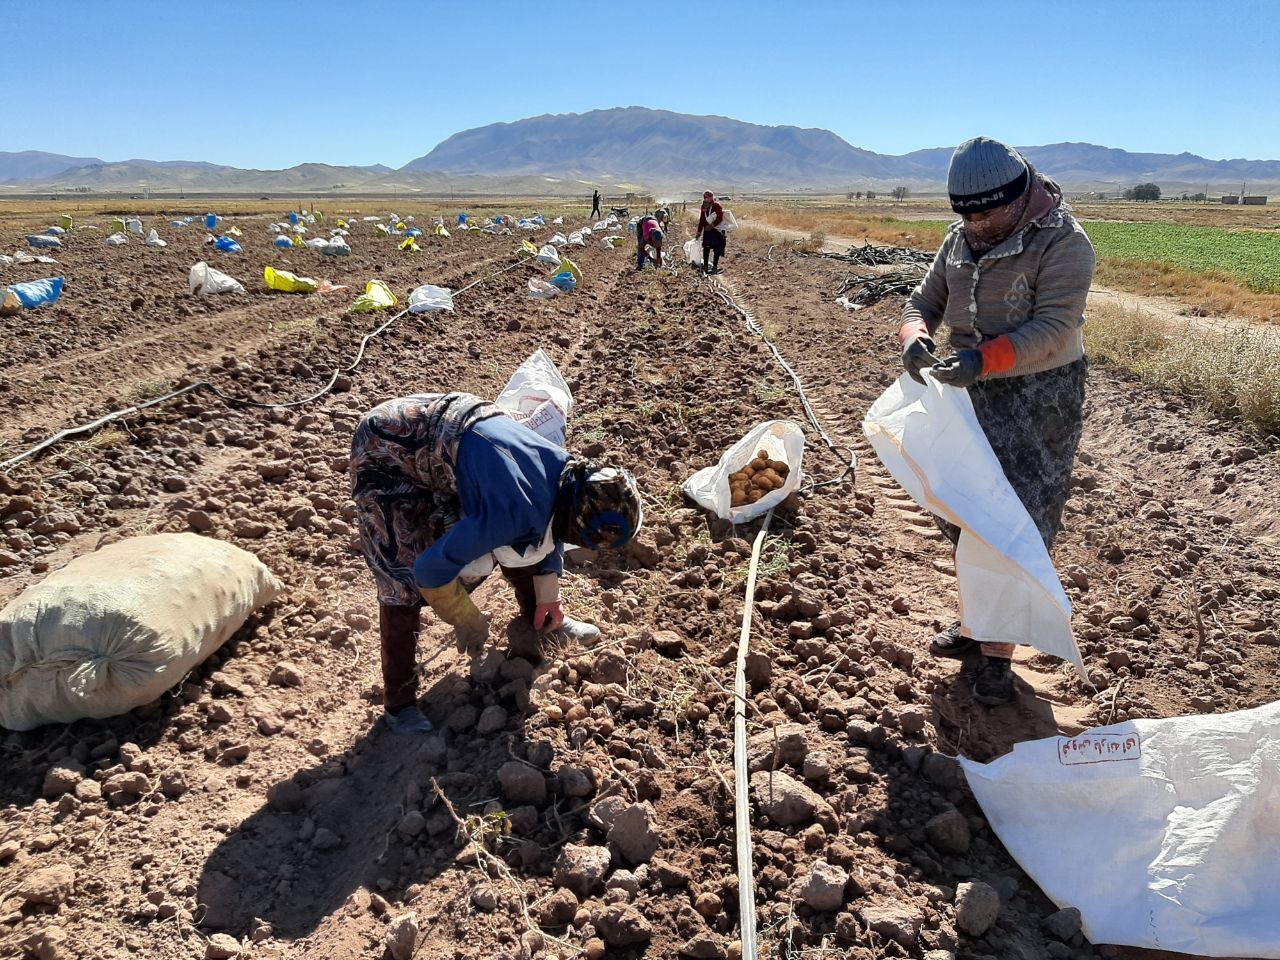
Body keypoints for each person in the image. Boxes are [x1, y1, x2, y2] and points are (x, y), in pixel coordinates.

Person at [898, 136, 1095, 706]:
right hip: (968, 393)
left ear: (1018, 198)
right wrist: (915, 337)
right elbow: (922, 301)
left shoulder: (1064, 243)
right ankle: (973, 623)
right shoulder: (960, 239)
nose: (975, 222)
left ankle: (999, 655)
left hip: (1039, 399)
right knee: (963, 512)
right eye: (965, 212)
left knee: (1015, 525)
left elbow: (1056, 327)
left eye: (987, 211)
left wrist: (986, 359)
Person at [350, 392, 643, 734]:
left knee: (523, 536)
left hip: (453, 437)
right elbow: (428, 571)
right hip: (387, 447)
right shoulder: (515, 509)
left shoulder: (572, 480)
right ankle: (399, 704)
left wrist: (550, 597)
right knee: (400, 573)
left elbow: (550, 532)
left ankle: (544, 622)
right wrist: (464, 617)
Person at [696, 191, 727, 274]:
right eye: (705, 197)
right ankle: (705, 266)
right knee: (706, 247)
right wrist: (699, 231)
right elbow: (702, 219)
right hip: (707, 229)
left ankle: (714, 267)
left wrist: (712, 225)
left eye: (708, 197)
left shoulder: (716, 205)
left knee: (717, 249)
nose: (707, 199)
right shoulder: (704, 206)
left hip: (717, 229)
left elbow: (719, 217)